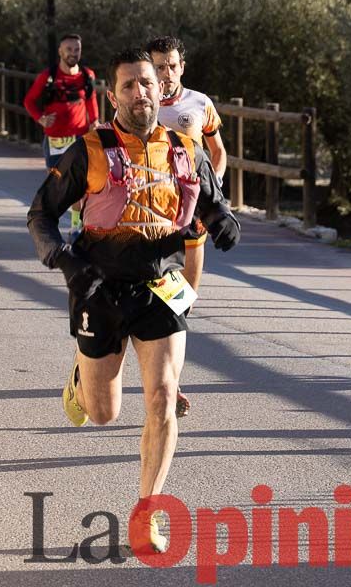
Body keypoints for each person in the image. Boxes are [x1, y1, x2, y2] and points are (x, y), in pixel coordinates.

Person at [27, 47, 239, 554]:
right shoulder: (90, 149)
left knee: (164, 397)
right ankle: (83, 378)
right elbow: (40, 215)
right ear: (113, 95)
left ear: (160, 87)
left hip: (160, 287)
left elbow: (213, 203)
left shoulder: (185, 148)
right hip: (99, 286)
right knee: (103, 413)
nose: (142, 92)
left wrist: (225, 221)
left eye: (148, 82)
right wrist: (65, 262)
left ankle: (147, 512)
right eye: (129, 85)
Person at [147, 36, 228, 291]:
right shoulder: (138, 105)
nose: (167, 73)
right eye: (159, 67)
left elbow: (218, 151)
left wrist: (212, 188)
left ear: (182, 66)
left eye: (172, 66)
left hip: (191, 198)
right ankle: (162, 319)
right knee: (153, 280)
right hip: (150, 200)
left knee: (187, 296)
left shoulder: (200, 102)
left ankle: (180, 313)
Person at [23, 33, 99, 236]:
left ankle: (76, 226)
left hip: (80, 137)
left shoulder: (87, 75)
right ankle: (50, 223)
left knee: (80, 184)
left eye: (77, 49)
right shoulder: (48, 77)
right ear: (60, 51)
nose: (73, 53)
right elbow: (29, 101)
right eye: (69, 49)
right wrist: (40, 118)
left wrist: (94, 122)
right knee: (56, 184)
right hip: (55, 139)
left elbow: (91, 101)